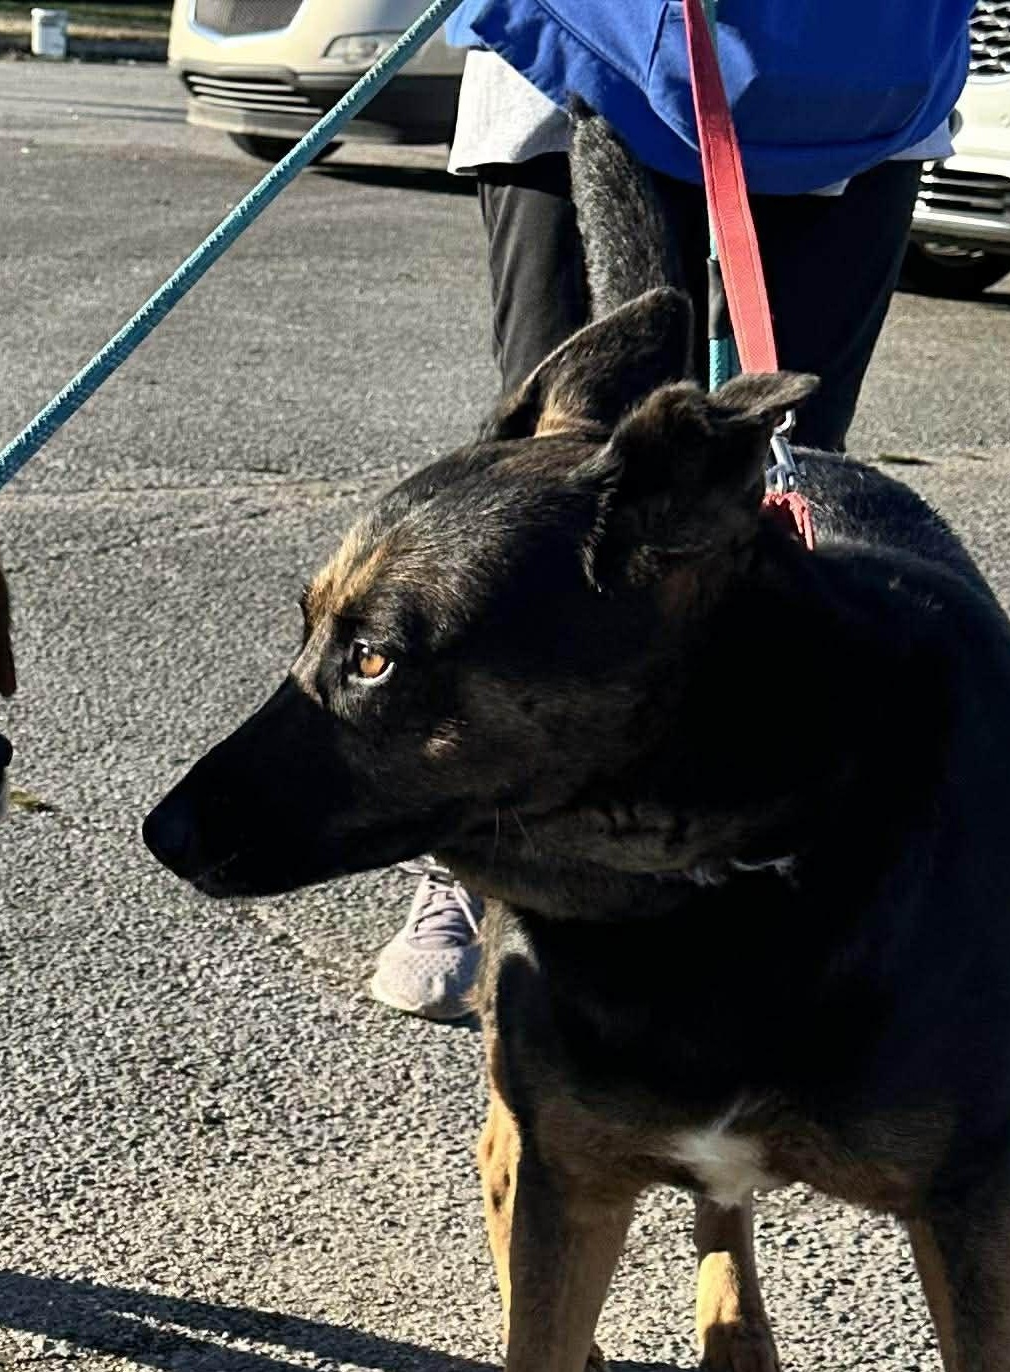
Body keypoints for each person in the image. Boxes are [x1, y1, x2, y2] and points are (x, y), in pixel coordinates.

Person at [367, 0, 974, 1022]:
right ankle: (479, 852)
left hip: (855, 78)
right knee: (546, 500)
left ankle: (736, 868)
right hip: (580, 50)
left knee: (766, 496)